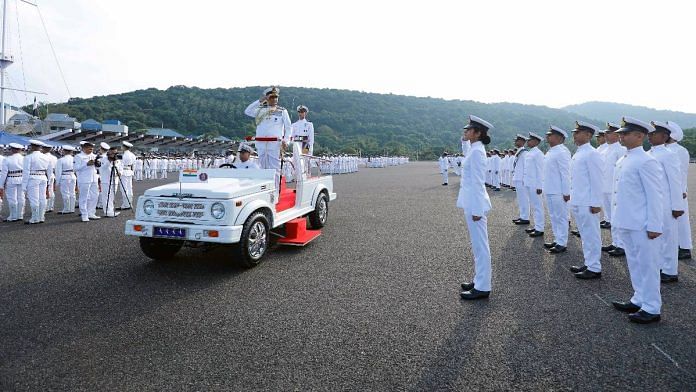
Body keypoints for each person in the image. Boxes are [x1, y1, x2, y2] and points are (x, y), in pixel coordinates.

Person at [610, 117, 664, 324]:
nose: (620, 136)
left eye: (625, 133)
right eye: (621, 133)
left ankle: (652, 307)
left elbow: (655, 196)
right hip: (627, 220)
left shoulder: (647, 161)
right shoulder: (624, 159)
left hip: (642, 224)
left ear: (640, 136)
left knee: (648, 265)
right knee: (634, 263)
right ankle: (639, 298)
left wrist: (654, 225)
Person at [457, 115, 494, 300]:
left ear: (477, 133)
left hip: (475, 205)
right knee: (477, 245)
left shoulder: (478, 152)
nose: (465, 131)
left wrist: (478, 210)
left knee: (481, 246)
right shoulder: (474, 149)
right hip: (471, 202)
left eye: (469, 129)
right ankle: (479, 280)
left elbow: (479, 182)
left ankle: (483, 286)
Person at [568, 121, 604, 279]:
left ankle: (595, 267)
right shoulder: (579, 152)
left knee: (591, 234)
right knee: (585, 234)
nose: (574, 135)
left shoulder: (592, 153)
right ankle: (589, 262)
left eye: (578, 132)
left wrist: (596, 203)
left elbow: (597, 180)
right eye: (574, 132)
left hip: (588, 202)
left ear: (588, 135)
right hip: (579, 200)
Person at [649, 121, 684, 283]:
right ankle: (661, 265)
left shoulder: (669, 155)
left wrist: (677, 206)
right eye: (649, 133)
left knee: (669, 238)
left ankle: (670, 271)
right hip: (654, 203)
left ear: (664, 136)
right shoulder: (649, 153)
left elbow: (675, 182)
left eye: (653, 133)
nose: (650, 136)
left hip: (667, 204)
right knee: (657, 238)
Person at [244, 87, 291, 171]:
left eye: (276, 97)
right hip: (261, 143)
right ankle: (265, 185)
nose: (274, 99)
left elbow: (288, 127)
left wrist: (286, 140)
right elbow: (247, 111)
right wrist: (260, 101)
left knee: (275, 169)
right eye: (272, 97)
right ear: (267, 98)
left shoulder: (282, 111)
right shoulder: (260, 110)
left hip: (274, 144)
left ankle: (275, 185)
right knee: (262, 168)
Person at [600, 123, 628, 257]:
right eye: (605, 132)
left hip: (614, 189)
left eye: (609, 133)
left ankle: (621, 244)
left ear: (617, 135)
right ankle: (615, 242)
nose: (606, 135)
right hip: (605, 188)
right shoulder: (606, 150)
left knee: (618, 218)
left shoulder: (620, 150)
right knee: (611, 218)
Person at [542, 126, 571, 253]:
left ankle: (562, 242)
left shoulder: (562, 152)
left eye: (550, 135)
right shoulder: (551, 151)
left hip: (558, 191)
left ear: (559, 138)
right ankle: (557, 239)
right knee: (554, 216)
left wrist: (566, 192)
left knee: (561, 217)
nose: (547, 137)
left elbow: (565, 173)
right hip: (550, 189)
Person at [665, 122, 692, 260]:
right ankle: (674, 245)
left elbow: (681, 173)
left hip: (678, 192)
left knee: (681, 221)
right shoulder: (664, 149)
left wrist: (681, 190)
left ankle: (685, 248)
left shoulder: (680, 150)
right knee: (670, 220)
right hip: (666, 191)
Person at [21, 140, 53, 224]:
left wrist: (24, 185)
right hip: (43, 177)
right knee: (42, 198)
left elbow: (26, 172)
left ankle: (35, 218)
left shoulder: (28, 157)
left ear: (33, 147)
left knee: (34, 199)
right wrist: (49, 182)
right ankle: (41, 217)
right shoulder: (47, 157)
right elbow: (50, 171)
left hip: (33, 178)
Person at [524, 132, 545, 237]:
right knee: (533, 206)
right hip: (529, 183)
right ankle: (536, 225)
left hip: (535, 185)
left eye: (530, 140)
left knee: (538, 206)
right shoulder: (530, 152)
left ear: (536, 141)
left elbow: (540, 171)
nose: (528, 141)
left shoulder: (538, 154)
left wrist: (539, 186)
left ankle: (540, 228)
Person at [74, 141, 101, 222]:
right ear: (84, 148)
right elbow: (75, 168)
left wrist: (97, 164)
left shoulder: (94, 156)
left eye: (92, 149)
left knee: (95, 196)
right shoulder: (78, 156)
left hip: (94, 178)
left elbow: (97, 167)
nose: (91, 150)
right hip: (84, 179)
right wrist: (86, 164)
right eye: (89, 149)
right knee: (84, 197)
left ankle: (91, 213)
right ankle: (84, 214)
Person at [0, 143, 25, 222]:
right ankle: (20, 215)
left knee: (12, 198)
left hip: (11, 179)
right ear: (20, 150)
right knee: (21, 197)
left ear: (12, 149)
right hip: (22, 178)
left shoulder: (7, 159)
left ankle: (13, 216)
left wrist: (1, 185)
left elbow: (4, 173)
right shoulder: (24, 158)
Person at [512, 134, 530, 224]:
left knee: (524, 199)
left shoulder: (525, 153)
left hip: (522, 180)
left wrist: (524, 179)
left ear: (522, 142)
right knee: (520, 199)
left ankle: (525, 218)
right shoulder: (519, 152)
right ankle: (522, 216)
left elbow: (526, 168)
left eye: (517, 140)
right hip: (518, 178)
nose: (515, 142)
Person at [55, 145, 77, 214]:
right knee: (72, 193)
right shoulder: (74, 159)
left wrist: (57, 182)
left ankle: (67, 208)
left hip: (65, 176)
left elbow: (58, 172)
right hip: (73, 176)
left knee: (65, 193)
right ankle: (72, 208)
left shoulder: (61, 160)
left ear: (64, 151)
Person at [41, 144, 58, 213]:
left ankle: (45, 207)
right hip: (52, 175)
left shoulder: (43, 157)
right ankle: (51, 206)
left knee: (44, 191)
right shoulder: (54, 157)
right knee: (51, 190)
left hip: (44, 174)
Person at [119, 141, 136, 210]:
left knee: (124, 189)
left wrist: (120, 172)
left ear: (124, 147)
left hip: (124, 172)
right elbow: (134, 165)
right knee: (129, 188)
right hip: (130, 172)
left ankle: (125, 204)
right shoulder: (132, 155)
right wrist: (133, 172)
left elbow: (121, 164)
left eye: (122, 146)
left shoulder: (124, 155)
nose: (121, 147)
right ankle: (129, 203)